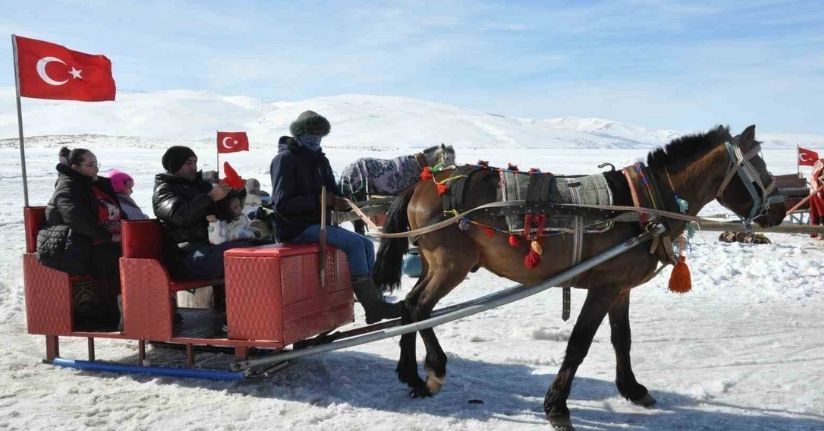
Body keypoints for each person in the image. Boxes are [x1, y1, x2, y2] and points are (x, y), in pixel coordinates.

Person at [269, 110, 401, 324]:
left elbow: (333, 191)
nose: (316, 138)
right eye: (312, 132)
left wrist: (339, 199)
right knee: (356, 246)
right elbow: (282, 204)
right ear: (300, 133)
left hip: (319, 223)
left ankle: (376, 300)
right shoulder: (285, 160)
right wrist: (320, 201)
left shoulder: (320, 160)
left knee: (366, 244)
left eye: (320, 134)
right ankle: (374, 306)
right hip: (295, 228)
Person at [152, 146, 252, 312]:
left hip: (209, 247)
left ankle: (244, 312)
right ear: (174, 165)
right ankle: (238, 314)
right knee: (239, 255)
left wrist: (233, 195)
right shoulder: (164, 191)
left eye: (195, 162)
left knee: (260, 247)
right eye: (188, 163)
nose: (194, 167)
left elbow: (222, 213)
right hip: (185, 256)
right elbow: (180, 216)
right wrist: (210, 197)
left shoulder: (200, 186)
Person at [37, 147, 122, 326]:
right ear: (75, 167)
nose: (96, 169)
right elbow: (76, 217)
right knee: (116, 259)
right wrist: (109, 237)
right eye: (90, 165)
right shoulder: (67, 186)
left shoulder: (92, 184)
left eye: (96, 164)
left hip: (94, 242)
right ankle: (116, 313)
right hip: (71, 246)